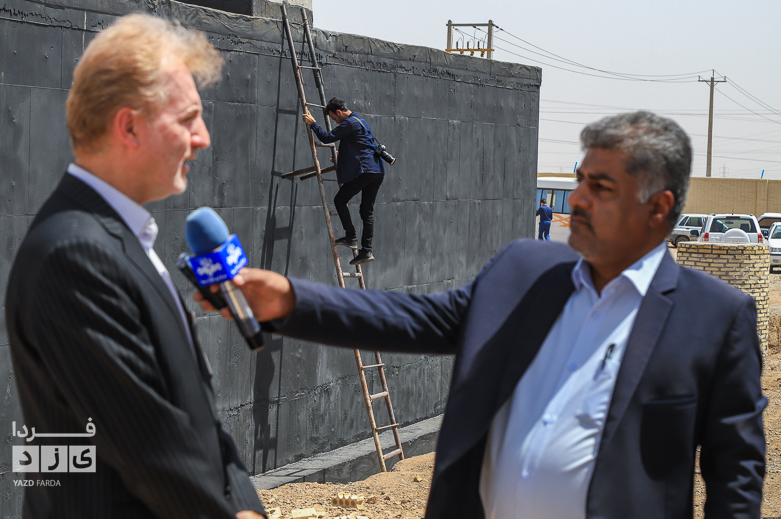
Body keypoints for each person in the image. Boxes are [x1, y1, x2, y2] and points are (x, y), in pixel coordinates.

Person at [200, 111, 766, 518]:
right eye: (579, 181)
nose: (577, 200)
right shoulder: (525, 271)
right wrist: (290, 299)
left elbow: (735, 477)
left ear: (658, 207)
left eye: (600, 187)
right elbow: (413, 318)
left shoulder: (715, 318)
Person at [6, 14, 264, 519]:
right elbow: (154, 452)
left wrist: (247, 507)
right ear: (129, 126)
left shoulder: (117, 237)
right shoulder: (74, 257)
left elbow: (201, 423)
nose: (203, 138)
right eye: (188, 119)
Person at [302, 98, 385, 265]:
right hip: (377, 171)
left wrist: (313, 124)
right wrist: (342, 156)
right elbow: (362, 146)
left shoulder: (349, 123)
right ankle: (366, 251)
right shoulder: (360, 121)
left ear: (339, 112)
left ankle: (351, 236)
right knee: (366, 211)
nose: (336, 122)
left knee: (340, 200)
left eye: (334, 118)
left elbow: (326, 138)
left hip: (365, 171)